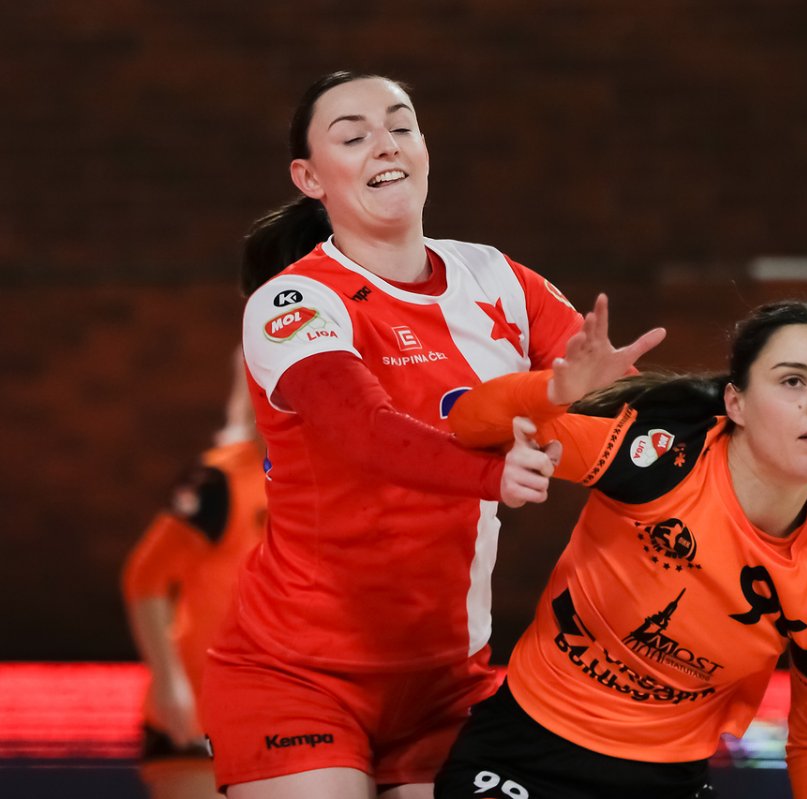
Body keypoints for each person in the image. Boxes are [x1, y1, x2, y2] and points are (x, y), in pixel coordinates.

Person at [198, 71, 651, 799]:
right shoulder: (293, 300)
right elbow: (364, 431)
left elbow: (621, 409)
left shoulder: (495, 277)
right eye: (353, 136)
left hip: (449, 679)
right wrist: (491, 474)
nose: (386, 144)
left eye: (401, 125)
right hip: (298, 672)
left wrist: (752, 447)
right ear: (309, 178)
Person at [436, 299, 807, 799]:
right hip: (524, 755)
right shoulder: (660, 457)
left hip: (668, 782)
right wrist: (553, 391)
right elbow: (468, 421)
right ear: (736, 403)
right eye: (793, 381)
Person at [122, 355, 266, 799]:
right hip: (202, 711)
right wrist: (170, 682)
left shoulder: (334, 480)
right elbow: (144, 578)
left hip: (291, 709)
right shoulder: (219, 481)